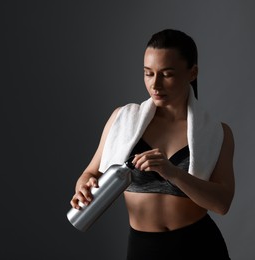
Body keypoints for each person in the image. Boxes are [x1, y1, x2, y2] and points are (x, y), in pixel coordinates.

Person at [70, 28, 235, 260]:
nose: (155, 84)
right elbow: (90, 172)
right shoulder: (122, 120)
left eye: (166, 74)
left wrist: (172, 173)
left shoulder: (216, 132)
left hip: (200, 246)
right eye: (148, 73)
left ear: (192, 73)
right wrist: (83, 188)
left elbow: (222, 203)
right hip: (144, 248)